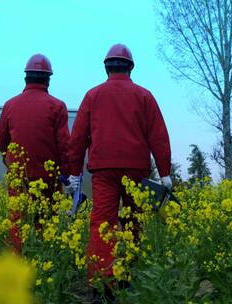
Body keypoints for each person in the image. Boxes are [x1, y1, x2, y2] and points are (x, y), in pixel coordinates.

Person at [68, 43, 172, 300]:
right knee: (134, 221)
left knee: (101, 222)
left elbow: (78, 137)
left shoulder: (92, 95)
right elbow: (158, 135)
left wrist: (73, 172)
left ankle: (100, 283)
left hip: (103, 169)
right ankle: (129, 278)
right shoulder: (144, 95)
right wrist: (165, 172)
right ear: (130, 67)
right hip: (136, 169)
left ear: (106, 68)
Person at [0, 53, 70, 254]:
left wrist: (9, 160)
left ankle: (14, 263)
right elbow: (64, 144)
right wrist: (66, 171)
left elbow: (2, 139)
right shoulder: (57, 106)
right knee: (46, 219)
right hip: (48, 177)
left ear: (26, 78)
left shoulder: (10, 105)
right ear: (48, 79)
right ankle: (43, 260)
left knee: (16, 220)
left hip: (18, 174)